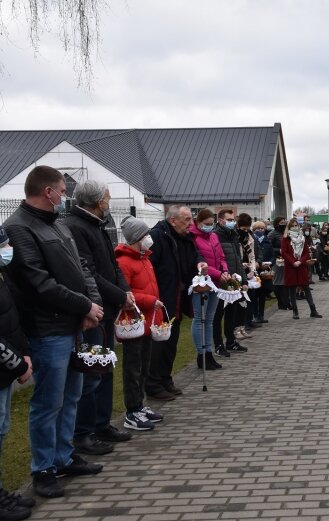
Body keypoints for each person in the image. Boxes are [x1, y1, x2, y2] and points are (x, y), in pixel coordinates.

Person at [4, 165, 104, 498]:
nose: (66, 196)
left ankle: (64, 455)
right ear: (48, 192)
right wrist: (83, 306)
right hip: (47, 330)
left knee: (72, 396)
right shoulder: (18, 228)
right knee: (48, 402)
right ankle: (43, 468)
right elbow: (38, 283)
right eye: (63, 190)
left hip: (75, 325)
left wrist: (90, 304)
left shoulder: (58, 224)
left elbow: (82, 268)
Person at [64, 180, 133, 455]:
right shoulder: (76, 227)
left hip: (108, 306)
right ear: (95, 201)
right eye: (106, 198)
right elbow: (89, 272)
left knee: (105, 368)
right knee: (91, 373)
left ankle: (102, 423)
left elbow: (112, 265)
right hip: (94, 308)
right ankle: (84, 433)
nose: (108, 202)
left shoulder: (99, 224)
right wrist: (117, 294)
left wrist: (124, 290)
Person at [146, 205, 207, 400]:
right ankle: (153, 383)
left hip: (179, 298)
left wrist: (200, 262)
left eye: (191, 219)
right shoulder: (157, 236)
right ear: (173, 220)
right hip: (162, 298)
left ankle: (166, 378)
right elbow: (150, 268)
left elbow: (195, 254)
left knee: (171, 342)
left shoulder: (186, 237)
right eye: (187, 219)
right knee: (159, 344)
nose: (191, 223)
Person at [0, 226, 37, 518]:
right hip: (5, 364)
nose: (8, 248)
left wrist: (23, 352)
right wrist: (17, 362)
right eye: (4, 244)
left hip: (7, 366)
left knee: (2, 429)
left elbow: (11, 320)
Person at [115, 217, 165, 432]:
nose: (149, 238)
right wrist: (149, 300)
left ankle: (140, 404)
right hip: (133, 321)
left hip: (148, 320)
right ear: (137, 238)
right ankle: (132, 410)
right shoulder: (125, 262)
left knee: (144, 365)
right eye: (146, 235)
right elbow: (126, 292)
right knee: (133, 368)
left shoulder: (145, 258)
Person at [189, 209, 226, 370]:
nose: (209, 227)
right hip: (202, 282)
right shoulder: (193, 238)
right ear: (198, 223)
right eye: (206, 224)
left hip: (215, 283)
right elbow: (201, 263)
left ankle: (209, 352)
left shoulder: (213, 236)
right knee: (199, 319)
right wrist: (218, 273)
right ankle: (201, 353)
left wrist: (224, 270)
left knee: (210, 320)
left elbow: (221, 257)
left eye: (212, 224)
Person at [213, 209, 248, 354]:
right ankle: (218, 345)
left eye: (233, 220)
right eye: (229, 220)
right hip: (222, 281)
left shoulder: (233, 235)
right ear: (221, 220)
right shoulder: (216, 235)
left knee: (232, 313)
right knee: (218, 314)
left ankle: (231, 341)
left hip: (235, 281)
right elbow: (217, 260)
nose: (232, 222)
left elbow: (238, 260)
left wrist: (244, 280)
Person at [281, 220, 322, 319]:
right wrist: (293, 261)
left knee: (306, 288)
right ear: (289, 227)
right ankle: (295, 312)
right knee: (292, 289)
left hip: (301, 266)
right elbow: (284, 252)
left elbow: (306, 252)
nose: (295, 227)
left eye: (296, 225)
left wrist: (300, 261)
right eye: (293, 226)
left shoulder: (302, 238)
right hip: (291, 266)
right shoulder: (285, 239)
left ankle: (313, 310)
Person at [267, 217, 290, 309]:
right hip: (277, 260)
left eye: (284, 222)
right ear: (276, 224)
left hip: (287, 259)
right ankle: (280, 302)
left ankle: (286, 302)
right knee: (278, 282)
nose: (283, 224)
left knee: (285, 282)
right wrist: (278, 250)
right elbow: (268, 247)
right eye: (281, 222)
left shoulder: (286, 233)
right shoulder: (272, 234)